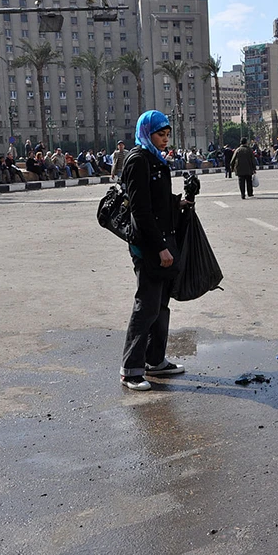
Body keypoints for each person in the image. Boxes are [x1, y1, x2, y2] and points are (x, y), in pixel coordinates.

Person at [119, 110, 189, 390]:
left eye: (167, 134)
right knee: (146, 306)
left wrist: (181, 203)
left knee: (160, 306)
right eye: (161, 134)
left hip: (163, 241)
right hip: (147, 246)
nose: (165, 139)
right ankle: (130, 368)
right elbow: (141, 211)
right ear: (147, 132)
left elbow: (158, 204)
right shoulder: (138, 160)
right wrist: (159, 248)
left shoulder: (156, 160)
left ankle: (155, 360)